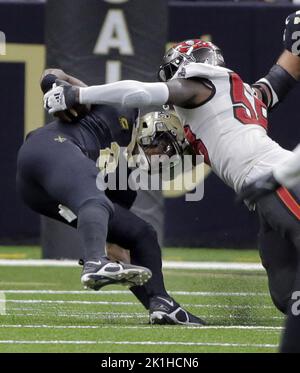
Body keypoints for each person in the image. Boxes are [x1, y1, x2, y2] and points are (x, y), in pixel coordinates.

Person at [44, 12, 300, 323]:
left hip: (276, 178)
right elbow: (282, 77)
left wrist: (78, 94)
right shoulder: (245, 95)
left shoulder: (200, 87)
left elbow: (140, 93)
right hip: (264, 192)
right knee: (286, 294)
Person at [17, 69, 204, 326]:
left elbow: (117, 247)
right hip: (47, 148)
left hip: (40, 195)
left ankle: (161, 303)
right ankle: (94, 262)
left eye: (168, 157)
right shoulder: (121, 110)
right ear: (154, 128)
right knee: (95, 199)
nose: (161, 156)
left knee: (141, 233)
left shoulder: (127, 179)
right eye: (163, 146)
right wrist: (53, 84)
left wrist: (123, 261)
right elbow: (57, 77)